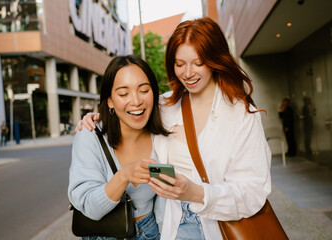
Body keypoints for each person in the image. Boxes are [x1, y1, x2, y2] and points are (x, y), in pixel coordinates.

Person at [77, 18, 271, 240]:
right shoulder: (165, 106)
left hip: (216, 227)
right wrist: (98, 117)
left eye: (198, 63)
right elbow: (133, 107)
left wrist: (196, 193)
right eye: (179, 64)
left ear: (216, 60)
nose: (188, 73)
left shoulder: (242, 115)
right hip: (168, 226)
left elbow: (254, 192)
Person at [68, 55, 169, 240]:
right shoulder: (90, 134)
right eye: (123, 94)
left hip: (152, 231)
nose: (136, 100)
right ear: (110, 101)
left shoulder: (163, 133)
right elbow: (90, 207)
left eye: (144, 90)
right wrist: (123, 176)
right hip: (105, 234)